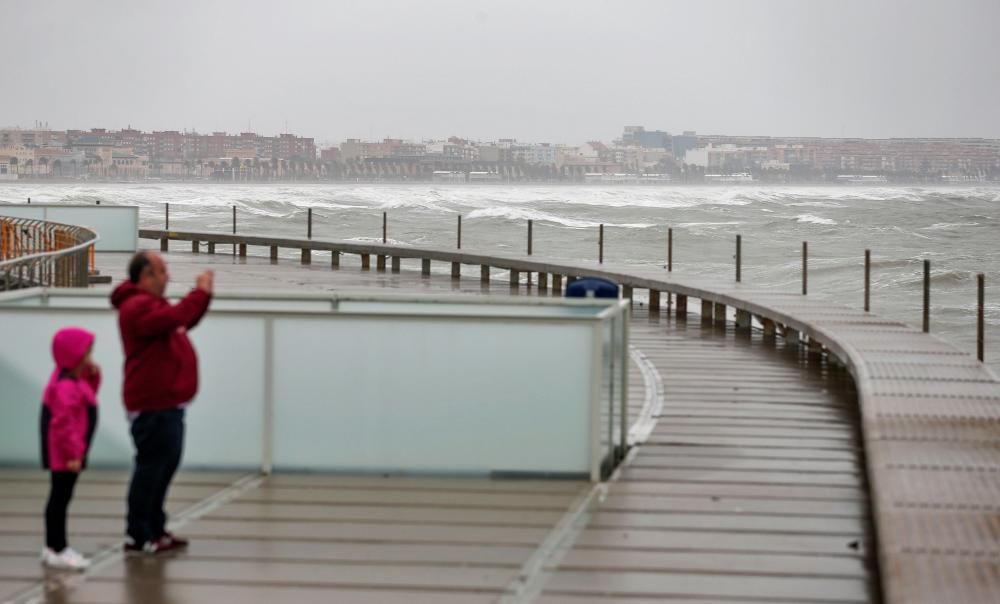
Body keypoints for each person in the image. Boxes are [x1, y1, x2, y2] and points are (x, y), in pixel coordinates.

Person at [110, 251, 213, 554]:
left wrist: (203, 297)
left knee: (163, 468)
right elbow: (175, 317)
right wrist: (200, 292)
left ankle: (155, 528)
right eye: (162, 271)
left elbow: (184, 318)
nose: (167, 277)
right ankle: (139, 533)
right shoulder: (136, 307)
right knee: (151, 469)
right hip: (152, 405)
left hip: (167, 404)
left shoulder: (151, 304)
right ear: (145, 276)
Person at [40, 327, 100, 571]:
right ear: (73, 356)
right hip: (66, 454)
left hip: (70, 452)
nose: (89, 358)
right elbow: (64, 424)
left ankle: (53, 547)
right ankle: (58, 547)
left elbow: (89, 395)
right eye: (86, 354)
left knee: (60, 497)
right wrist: (74, 454)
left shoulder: (73, 379)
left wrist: (93, 374)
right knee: (60, 499)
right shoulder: (64, 386)